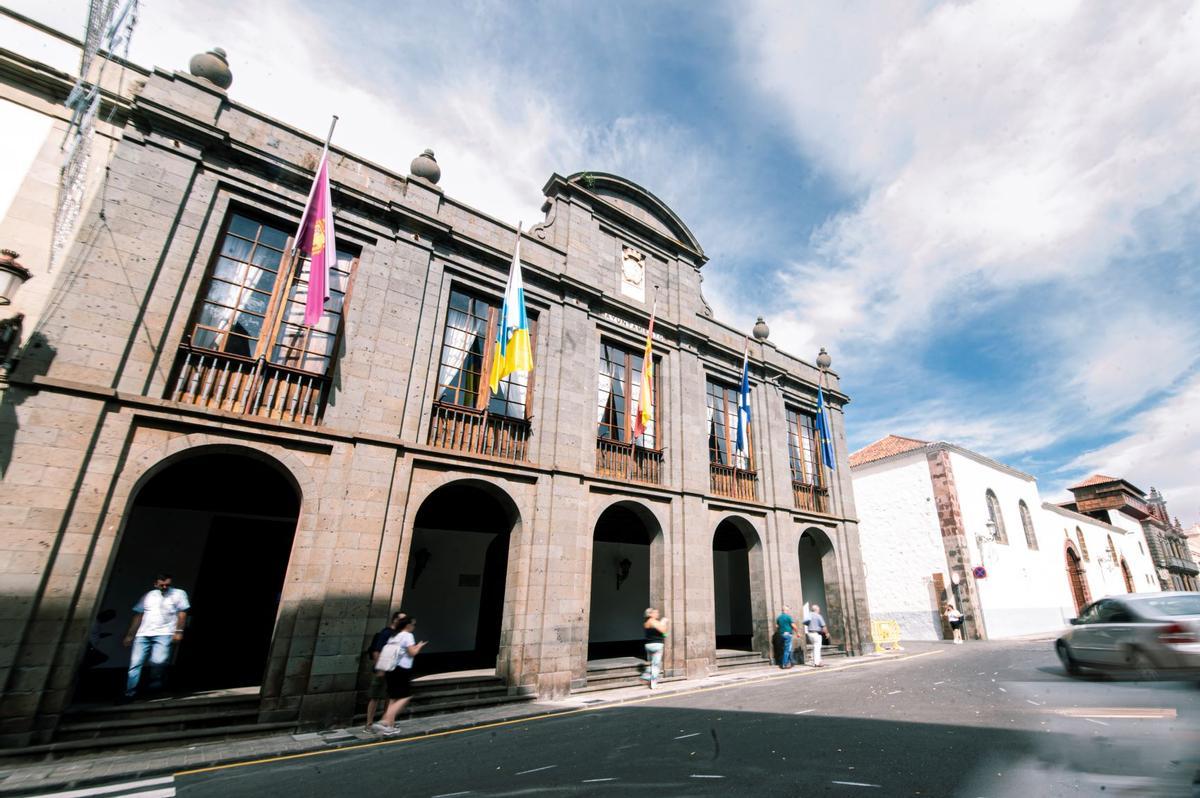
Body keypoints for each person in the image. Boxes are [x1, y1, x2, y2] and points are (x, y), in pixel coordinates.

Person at [123, 573, 190, 699]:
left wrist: (178, 631)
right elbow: (138, 615)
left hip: (164, 633)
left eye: (167, 585)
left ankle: (155, 686)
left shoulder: (179, 594)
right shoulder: (148, 595)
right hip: (143, 634)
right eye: (161, 585)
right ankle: (129, 692)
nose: (164, 587)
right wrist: (130, 635)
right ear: (155, 584)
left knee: (158, 661)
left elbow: (182, 613)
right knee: (135, 663)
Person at [374, 616, 426, 735]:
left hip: (390, 668)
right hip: (401, 669)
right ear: (408, 625)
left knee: (393, 698)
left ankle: (390, 726)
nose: (414, 627)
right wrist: (419, 646)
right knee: (405, 696)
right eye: (413, 624)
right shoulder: (408, 635)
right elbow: (412, 653)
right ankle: (385, 721)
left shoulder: (394, 635)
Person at [365, 611, 407, 727]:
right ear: (395, 620)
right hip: (382, 670)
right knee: (375, 697)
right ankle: (369, 724)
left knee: (390, 697)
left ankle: (387, 721)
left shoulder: (399, 634)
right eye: (402, 619)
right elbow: (376, 651)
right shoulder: (386, 633)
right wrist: (380, 669)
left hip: (393, 670)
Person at [640, 607, 669, 690]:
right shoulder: (653, 621)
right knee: (656, 665)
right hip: (656, 645)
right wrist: (664, 622)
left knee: (652, 664)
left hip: (648, 645)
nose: (657, 614)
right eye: (655, 613)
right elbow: (664, 631)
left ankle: (647, 677)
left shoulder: (646, 622)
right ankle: (651, 681)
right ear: (651, 614)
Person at [804, 603, 827, 668]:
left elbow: (805, 622)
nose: (819, 610)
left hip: (810, 633)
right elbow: (823, 626)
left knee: (815, 647)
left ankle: (815, 659)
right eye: (818, 609)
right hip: (816, 633)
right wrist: (826, 633)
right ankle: (817, 663)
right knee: (817, 648)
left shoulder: (809, 615)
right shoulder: (818, 616)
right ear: (816, 610)